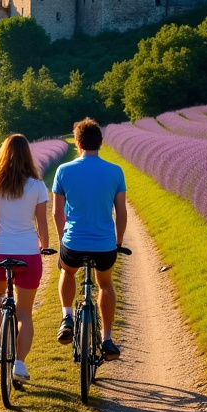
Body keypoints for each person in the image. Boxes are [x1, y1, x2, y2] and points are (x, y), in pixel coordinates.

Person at [52, 118, 127, 359]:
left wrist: (62, 240)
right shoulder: (115, 171)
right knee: (105, 284)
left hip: (73, 243)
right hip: (105, 245)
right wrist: (118, 242)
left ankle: (67, 317)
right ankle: (107, 339)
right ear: (100, 142)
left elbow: (57, 213)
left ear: (78, 142)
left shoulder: (64, 170)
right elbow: (122, 212)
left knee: (67, 272)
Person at [0, 133, 50, 383]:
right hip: (28, 253)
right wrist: (45, 247)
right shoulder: (37, 186)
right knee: (25, 312)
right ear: (28, 156)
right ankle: (19, 365)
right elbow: (42, 222)